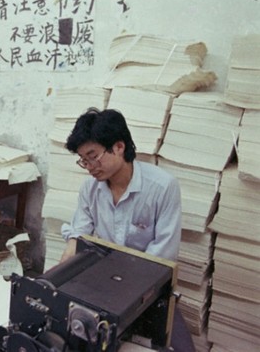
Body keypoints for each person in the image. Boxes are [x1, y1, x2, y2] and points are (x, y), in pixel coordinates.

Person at [60, 107, 194, 351]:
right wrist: (61, 274)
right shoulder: (90, 189)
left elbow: (162, 258)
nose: (89, 166)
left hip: (149, 289)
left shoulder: (162, 188)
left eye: (93, 156)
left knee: (182, 348)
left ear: (119, 147)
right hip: (102, 283)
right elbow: (78, 236)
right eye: (83, 160)